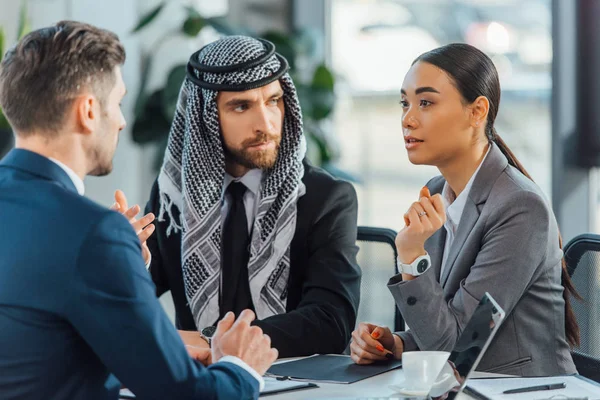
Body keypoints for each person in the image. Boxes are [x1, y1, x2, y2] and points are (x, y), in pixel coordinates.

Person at [0, 21, 277, 400]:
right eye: (117, 102)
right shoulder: (94, 233)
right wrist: (241, 366)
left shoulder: (90, 235)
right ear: (88, 112)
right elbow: (185, 395)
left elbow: (39, 342)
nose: (122, 120)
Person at [120, 35, 361, 358]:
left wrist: (213, 344)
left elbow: (331, 321)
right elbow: (127, 303)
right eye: (241, 106)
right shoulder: (174, 198)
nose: (265, 123)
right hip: (200, 385)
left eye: (273, 101)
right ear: (204, 117)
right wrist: (120, 259)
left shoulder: (326, 198)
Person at [350, 43, 578, 376]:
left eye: (425, 102)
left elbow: (457, 347)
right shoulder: (440, 191)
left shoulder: (520, 208)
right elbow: (447, 321)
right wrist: (396, 344)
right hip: (463, 386)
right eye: (405, 103)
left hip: (522, 391)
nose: (407, 119)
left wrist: (412, 256)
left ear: (477, 112)